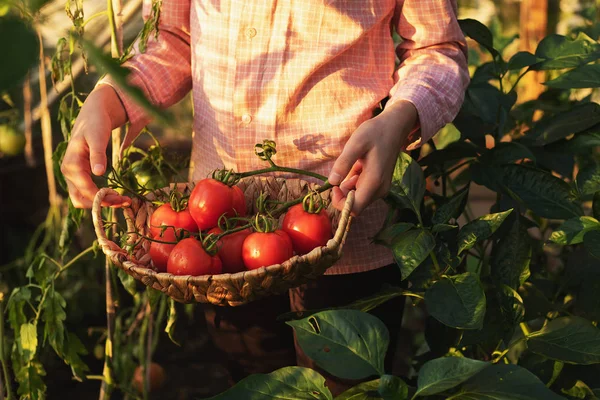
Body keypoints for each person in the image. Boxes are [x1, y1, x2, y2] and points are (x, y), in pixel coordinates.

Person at [61, 0, 469, 395]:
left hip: (347, 217)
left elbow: (437, 47)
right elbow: (174, 37)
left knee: (345, 387)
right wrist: (111, 97)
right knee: (251, 380)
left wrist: (399, 118)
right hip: (218, 239)